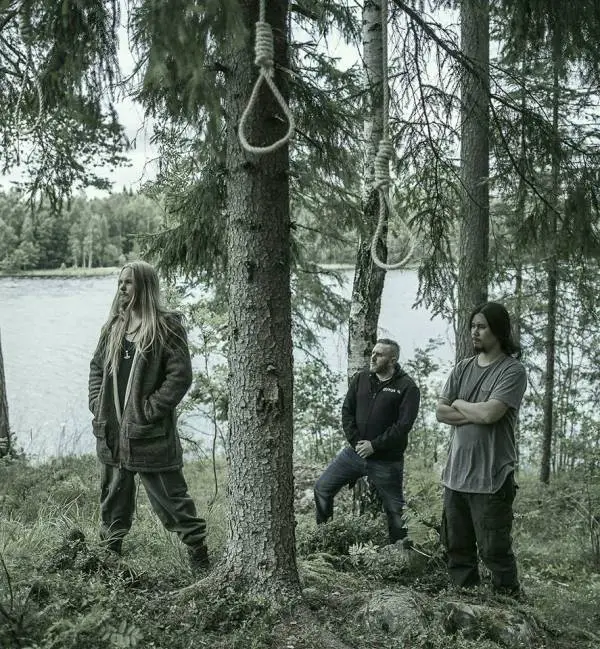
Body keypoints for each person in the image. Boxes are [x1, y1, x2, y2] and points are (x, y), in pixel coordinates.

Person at [88, 261, 209, 572]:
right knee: (113, 499)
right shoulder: (114, 327)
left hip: (149, 435)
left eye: (129, 282)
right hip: (112, 433)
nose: (122, 287)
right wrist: (97, 404)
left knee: (172, 498)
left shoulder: (166, 327)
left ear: (145, 286)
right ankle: (110, 561)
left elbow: (179, 377)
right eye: (120, 282)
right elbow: (97, 368)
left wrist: (148, 411)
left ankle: (199, 556)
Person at [436, 302, 527, 596]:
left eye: (482, 327)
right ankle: (466, 603)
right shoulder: (462, 368)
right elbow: (440, 412)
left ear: (498, 331)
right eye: (472, 326)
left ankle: (511, 607)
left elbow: (491, 414)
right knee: (457, 549)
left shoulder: (512, 370)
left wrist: (459, 403)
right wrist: (475, 411)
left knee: (495, 552)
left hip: (491, 478)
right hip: (455, 476)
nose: (474, 332)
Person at [314, 339, 420, 544]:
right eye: (373, 353)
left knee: (395, 510)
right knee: (322, 488)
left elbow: (403, 426)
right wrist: (357, 443)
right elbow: (347, 411)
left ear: (392, 360)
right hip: (354, 454)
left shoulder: (407, 387)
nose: (373, 357)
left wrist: (374, 446)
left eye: (379, 354)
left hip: (387, 461)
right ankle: (325, 540)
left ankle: (399, 552)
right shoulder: (362, 378)